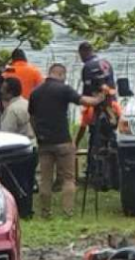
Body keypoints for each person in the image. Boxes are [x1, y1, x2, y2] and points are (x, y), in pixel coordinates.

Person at [29, 63, 103, 218]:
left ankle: (45, 212)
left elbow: (32, 117)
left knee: (45, 179)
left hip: (44, 142)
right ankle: (67, 212)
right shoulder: (63, 89)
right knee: (68, 178)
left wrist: (38, 134)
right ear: (61, 74)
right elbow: (83, 101)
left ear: (49, 73)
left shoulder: (35, 92)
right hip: (63, 141)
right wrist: (99, 99)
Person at [0, 77, 37, 218]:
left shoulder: (12, 110)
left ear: (9, 93)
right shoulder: (26, 103)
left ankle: (19, 210)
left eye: (3, 90)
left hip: (18, 152)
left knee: (16, 183)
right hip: (32, 147)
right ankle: (28, 210)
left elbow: (6, 133)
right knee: (28, 181)